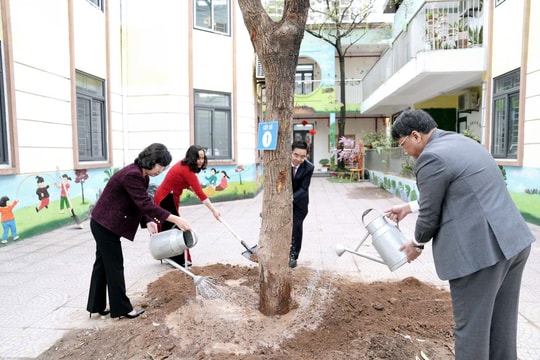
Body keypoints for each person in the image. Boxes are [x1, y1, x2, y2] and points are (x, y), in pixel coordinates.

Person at [385, 109, 534, 360]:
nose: (406, 152)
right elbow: (457, 188)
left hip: (482, 254)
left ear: (415, 135)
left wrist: (417, 243)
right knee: (502, 328)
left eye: (403, 144)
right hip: (513, 242)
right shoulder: (461, 142)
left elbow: (431, 214)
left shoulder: (430, 158)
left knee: (472, 332)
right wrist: (409, 207)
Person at [87, 143, 191, 319]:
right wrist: (175, 218)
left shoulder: (142, 176)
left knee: (102, 265)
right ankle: (121, 309)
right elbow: (145, 203)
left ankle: (95, 306)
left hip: (104, 223)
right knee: (114, 266)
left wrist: (148, 221)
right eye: (160, 165)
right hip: (104, 225)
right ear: (151, 161)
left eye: (164, 167)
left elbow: (139, 203)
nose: (162, 170)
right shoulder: (132, 175)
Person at [154, 145, 221, 267]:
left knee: (169, 227)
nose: (201, 161)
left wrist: (192, 189)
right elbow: (201, 194)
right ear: (192, 157)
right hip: (166, 199)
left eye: (202, 158)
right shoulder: (187, 171)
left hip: (168, 197)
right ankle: (180, 260)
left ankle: (169, 256)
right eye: (198, 158)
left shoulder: (184, 166)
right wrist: (214, 210)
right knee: (176, 228)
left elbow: (182, 182)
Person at [289, 140, 314, 268]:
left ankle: (294, 256)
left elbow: (304, 188)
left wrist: (291, 198)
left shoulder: (309, 167)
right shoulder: (281, 163)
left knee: (296, 227)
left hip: (299, 204)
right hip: (283, 202)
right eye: (296, 155)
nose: (298, 159)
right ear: (291, 153)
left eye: (302, 156)